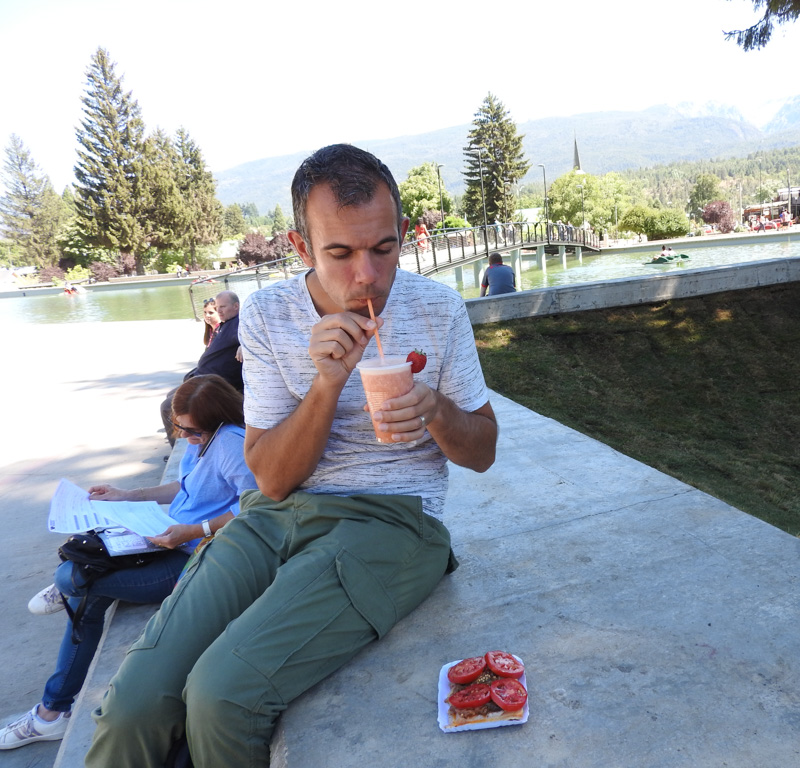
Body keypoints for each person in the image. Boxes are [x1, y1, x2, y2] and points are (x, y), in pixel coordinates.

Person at [85, 144, 498, 768]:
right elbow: (272, 479)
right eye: (340, 253)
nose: (367, 275)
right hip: (271, 518)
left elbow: (484, 452)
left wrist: (437, 411)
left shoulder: (437, 308)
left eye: (383, 248)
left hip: (392, 522)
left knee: (222, 695)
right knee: (133, 706)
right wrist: (326, 382)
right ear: (301, 247)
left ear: (403, 235)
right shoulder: (270, 314)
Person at [1, 375, 255, 752]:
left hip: (193, 555)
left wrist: (194, 529)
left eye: (189, 430)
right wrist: (129, 496)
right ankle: (51, 712)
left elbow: (253, 504)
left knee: (76, 583)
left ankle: (51, 712)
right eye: (178, 428)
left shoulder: (232, 442)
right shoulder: (201, 437)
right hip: (166, 539)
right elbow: (185, 487)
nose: (183, 437)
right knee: (81, 584)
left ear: (216, 419)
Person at [160, 290, 243, 446]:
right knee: (170, 396)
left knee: (167, 407)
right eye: (217, 307)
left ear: (236, 306)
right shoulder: (225, 325)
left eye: (223, 307)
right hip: (202, 378)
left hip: (215, 384)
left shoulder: (240, 324)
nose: (219, 311)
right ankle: (184, 439)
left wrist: (245, 346)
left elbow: (258, 335)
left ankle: (179, 446)